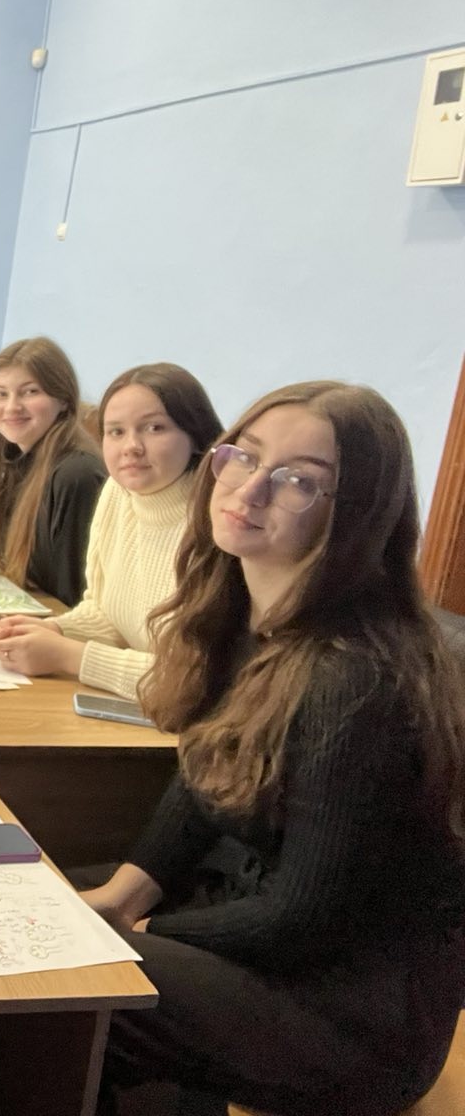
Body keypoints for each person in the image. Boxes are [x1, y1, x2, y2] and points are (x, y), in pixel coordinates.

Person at [80, 382, 465, 1116]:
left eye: (298, 480)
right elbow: (204, 776)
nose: (250, 489)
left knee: (69, 980)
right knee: (32, 909)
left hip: (351, 1014)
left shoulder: (356, 677)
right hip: (268, 932)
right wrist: (123, 894)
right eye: (245, 457)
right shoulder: (247, 615)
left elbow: (304, 915)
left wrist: (142, 930)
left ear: (355, 513)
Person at [0, 364, 222, 697]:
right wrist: (55, 629)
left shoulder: (220, 522)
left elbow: (194, 681)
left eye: (154, 428)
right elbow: (106, 612)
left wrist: (67, 655)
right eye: (116, 432)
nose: (131, 446)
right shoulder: (117, 491)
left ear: (195, 434)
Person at [0, 336, 107, 607]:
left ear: (64, 400)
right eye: (1, 394)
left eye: (30, 392)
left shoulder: (77, 475)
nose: (12, 407)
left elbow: (74, 599)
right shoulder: (13, 459)